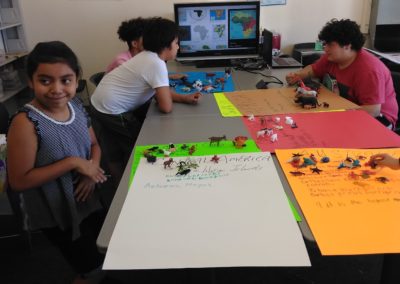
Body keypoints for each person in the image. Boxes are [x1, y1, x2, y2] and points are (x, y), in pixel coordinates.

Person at [7, 41, 107, 284]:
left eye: (66, 80)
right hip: (57, 212)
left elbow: (94, 145)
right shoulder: (25, 122)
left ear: (76, 80)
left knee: (101, 255)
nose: (57, 89)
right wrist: (73, 162)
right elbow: (19, 180)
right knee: (90, 268)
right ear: (30, 81)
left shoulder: (76, 107)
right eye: (45, 80)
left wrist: (89, 169)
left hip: (88, 198)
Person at [90, 17, 201, 185]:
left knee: (113, 149)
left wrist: (183, 98)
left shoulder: (146, 56)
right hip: (112, 111)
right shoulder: (156, 64)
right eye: (177, 42)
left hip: (98, 104)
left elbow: (158, 91)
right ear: (166, 45)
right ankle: (137, 184)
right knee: (141, 144)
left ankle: (119, 184)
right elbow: (165, 106)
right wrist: (175, 99)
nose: (178, 46)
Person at [286, 19, 398, 129]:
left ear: (347, 46)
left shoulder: (369, 70)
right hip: (347, 108)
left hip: (379, 120)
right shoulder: (332, 58)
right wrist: (297, 75)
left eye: (330, 45)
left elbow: (372, 110)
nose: (325, 49)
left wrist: (336, 113)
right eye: (325, 44)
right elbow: (313, 70)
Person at [105, 17, 186, 80]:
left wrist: (169, 77)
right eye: (146, 37)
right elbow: (141, 81)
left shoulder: (144, 58)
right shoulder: (122, 61)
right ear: (135, 44)